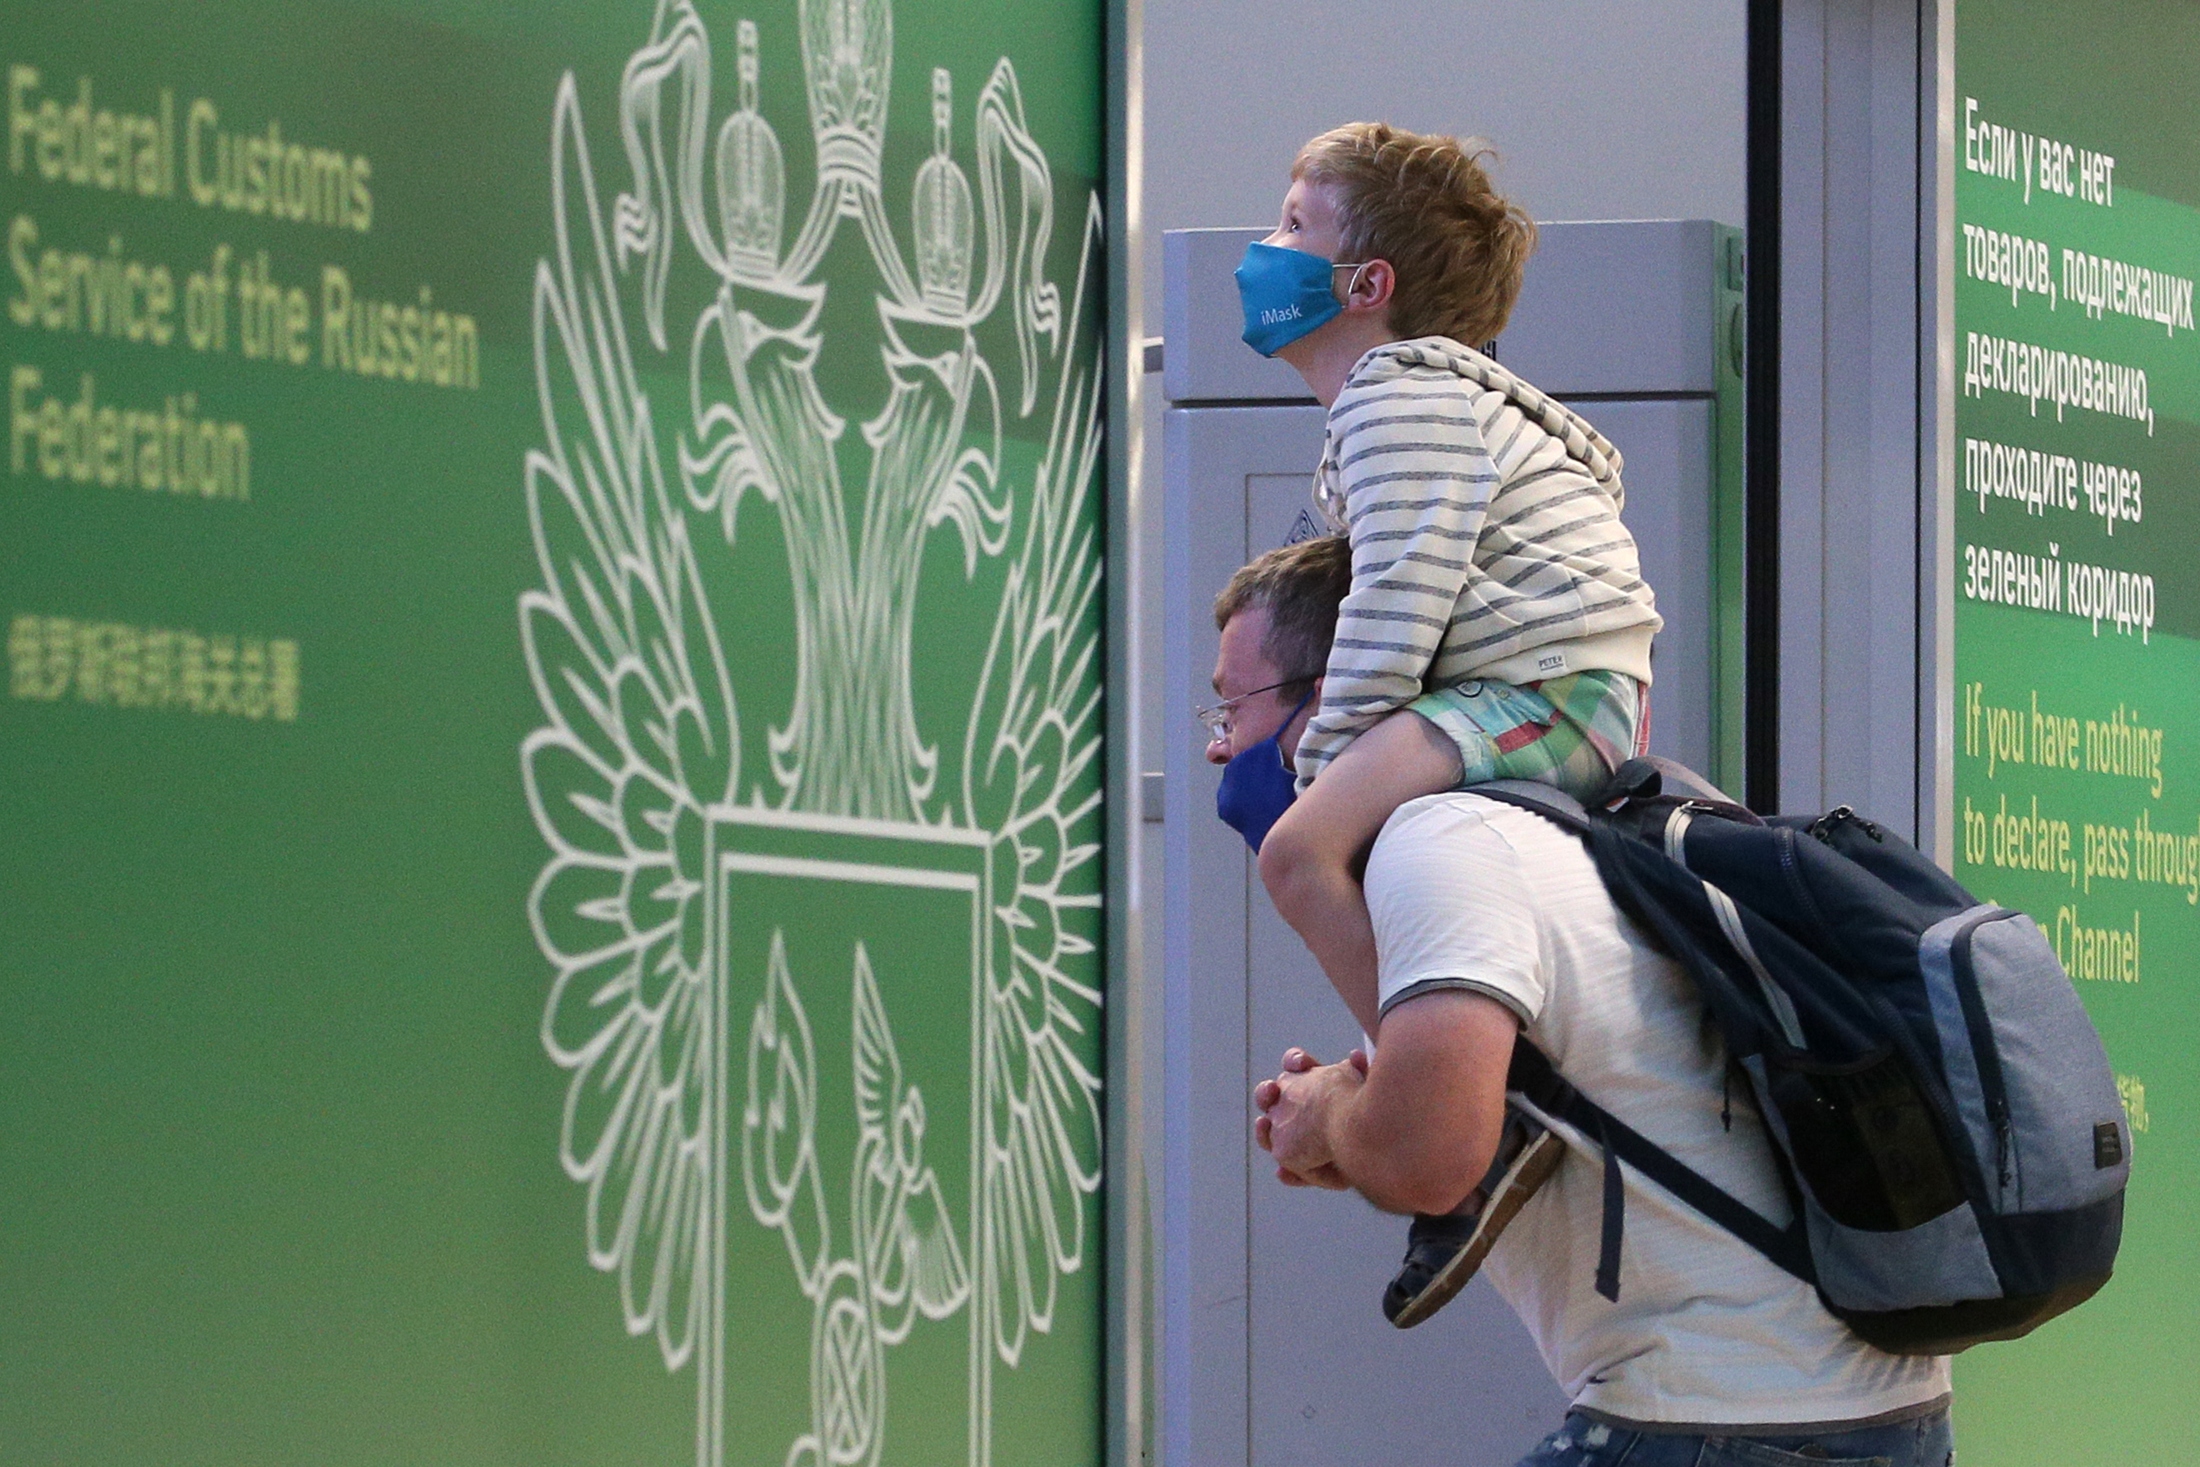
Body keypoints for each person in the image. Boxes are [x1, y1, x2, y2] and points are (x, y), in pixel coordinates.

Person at [1213, 550, 1956, 1467]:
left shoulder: (1444, 840)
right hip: (1878, 1411)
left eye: (1230, 709)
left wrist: (1332, 1116)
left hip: (1721, 1418)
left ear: (1330, 699)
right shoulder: (1591, 813)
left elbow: (1435, 1160)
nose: (1217, 747)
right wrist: (1366, 1100)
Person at [1227, 121, 1663, 1320]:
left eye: (1293, 225)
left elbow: (1400, 589)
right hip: (1554, 691)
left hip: (1537, 695)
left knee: (1298, 850)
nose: (1262, 251)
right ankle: (1436, 1066)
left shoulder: (1394, 397)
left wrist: (1328, 752)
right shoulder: (1418, 404)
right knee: (1331, 846)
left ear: (1366, 285)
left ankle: (1489, 1112)